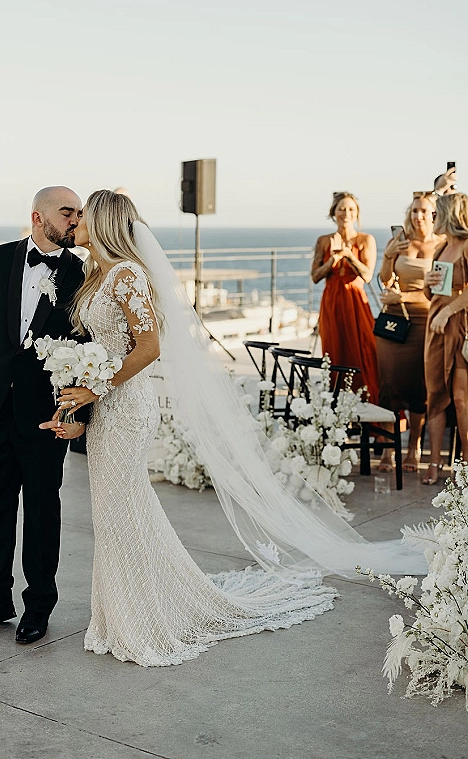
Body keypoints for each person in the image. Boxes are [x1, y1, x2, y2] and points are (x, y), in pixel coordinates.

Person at [40, 190, 425, 668]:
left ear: (102, 222)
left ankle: (142, 618)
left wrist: (95, 390)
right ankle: (120, 614)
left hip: (128, 408)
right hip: (107, 411)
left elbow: (148, 348)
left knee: (122, 511)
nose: (75, 222)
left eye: (83, 216)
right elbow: (103, 349)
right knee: (115, 512)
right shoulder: (99, 275)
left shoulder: (127, 276)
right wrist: (83, 406)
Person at [0, 187, 87, 643]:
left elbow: (91, 351)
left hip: (47, 415)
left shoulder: (83, 273)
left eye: (78, 214)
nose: (74, 220)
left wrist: (78, 413)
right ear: (37, 216)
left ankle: (39, 607)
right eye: (66, 212)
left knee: (44, 511)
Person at [375, 193, 440, 472]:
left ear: (435, 214)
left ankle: (414, 447)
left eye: (424, 211)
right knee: (388, 385)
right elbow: (385, 279)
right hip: (392, 321)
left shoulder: (443, 245)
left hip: (424, 320)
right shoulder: (399, 241)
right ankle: (390, 448)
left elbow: (438, 293)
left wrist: (403, 298)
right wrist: (389, 256)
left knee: (417, 387)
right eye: (414, 211)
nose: (418, 216)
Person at [311, 192, 379, 402]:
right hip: (331, 301)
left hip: (355, 299)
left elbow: (367, 275)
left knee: (364, 351)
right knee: (333, 353)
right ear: (334, 212)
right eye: (341, 208)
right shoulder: (323, 241)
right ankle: (337, 412)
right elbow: (315, 276)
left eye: (351, 209)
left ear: (357, 213)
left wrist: (349, 256)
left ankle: (369, 407)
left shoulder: (365, 239)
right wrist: (332, 260)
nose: (346, 213)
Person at [422, 193, 468, 484]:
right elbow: (433, 294)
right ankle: (435, 462)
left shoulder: (467, 245)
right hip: (434, 326)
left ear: (448, 215)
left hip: (459, 325)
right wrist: (427, 285)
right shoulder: (440, 248)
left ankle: (465, 464)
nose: (431, 219)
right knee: (435, 396)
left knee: (462, 399)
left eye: (435, 214)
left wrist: (448, 312)